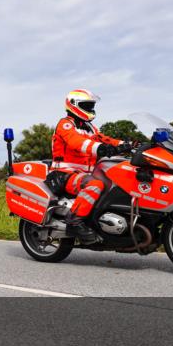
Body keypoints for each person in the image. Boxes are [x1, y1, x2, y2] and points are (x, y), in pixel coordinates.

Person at [49, 89, 128, 243]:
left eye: (91, 105)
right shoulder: (65, 124)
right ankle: (74, 221)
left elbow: (105, 139)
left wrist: (127, 144)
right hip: (64, 174)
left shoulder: (90, 128)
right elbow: (76, 142)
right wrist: (100, 148)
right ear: (73, 105)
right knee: (95, 184)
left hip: (84, 174)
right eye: (87, 105)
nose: (91, 109)